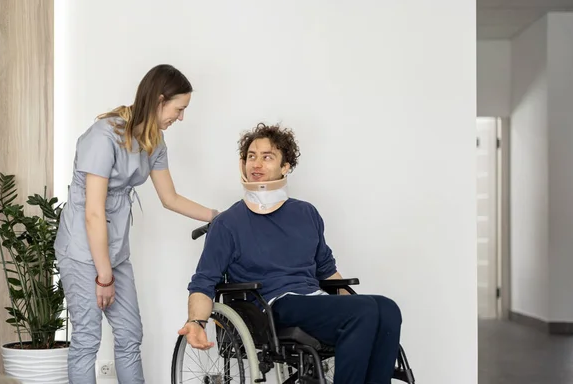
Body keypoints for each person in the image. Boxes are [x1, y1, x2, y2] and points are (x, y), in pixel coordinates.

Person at [179, 123, 402, 384]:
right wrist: (196, 322)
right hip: (272, 306)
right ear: (243, 164)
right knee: (364, 310)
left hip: (312, 300)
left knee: (387, 309)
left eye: (267, 157)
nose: (257, 164)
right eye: (251, 156)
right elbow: (204, 282)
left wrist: (357, 306)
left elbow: (327, 271)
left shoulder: (306, 213)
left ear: (285, 167)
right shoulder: (228, 223)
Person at [54, 64, 219, 384]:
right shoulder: (103, 137)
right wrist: (104, 276)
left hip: (114, 248)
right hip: (81, 247)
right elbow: (93, 213)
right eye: (179, 109)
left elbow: (170, 198)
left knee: (130, 335)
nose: (181, 118)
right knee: (87, 339)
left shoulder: (154, 142)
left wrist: (221, 216)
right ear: (159, 100)